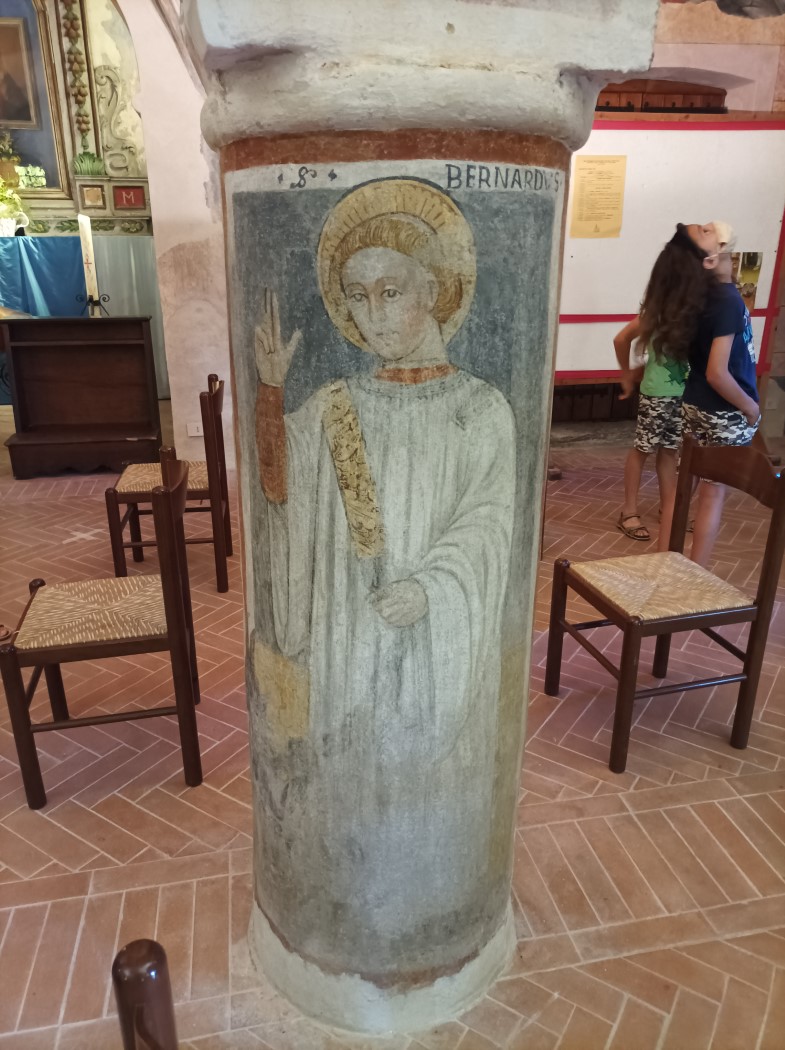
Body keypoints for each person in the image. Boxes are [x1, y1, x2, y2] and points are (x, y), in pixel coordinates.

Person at [252, 178, 517, 932]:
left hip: (431, 636)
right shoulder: (336, 406)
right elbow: (279, 488)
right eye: (357, 297)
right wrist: (270, 394)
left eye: (390, 292)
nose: (373, 314)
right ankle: (351, 884)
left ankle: (428, 888)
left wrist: (432, 589)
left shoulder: (480, 410)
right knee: (353, 770)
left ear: (432, 291)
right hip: (349, 633)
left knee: (418, 774)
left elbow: (488, 522)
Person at [677, 221, 760, 566]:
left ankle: (670, 559)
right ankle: (695, 574)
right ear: (711, 259)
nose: (710, 226)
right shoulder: (726, 301)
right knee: (712, 495)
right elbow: (717, 372)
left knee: (687, 488)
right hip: (723, 409)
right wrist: (750, 407)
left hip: (695, 403)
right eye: (706, 232)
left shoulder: (704, 295)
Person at [614, 314, 688, 547]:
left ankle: (668, 509)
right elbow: (621, 339)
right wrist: (626, 373)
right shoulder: (659, 310)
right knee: (642, 449)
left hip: (684, 392)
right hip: (657, 393)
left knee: (670, 451)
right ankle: (629, 511)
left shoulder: (695, 308)